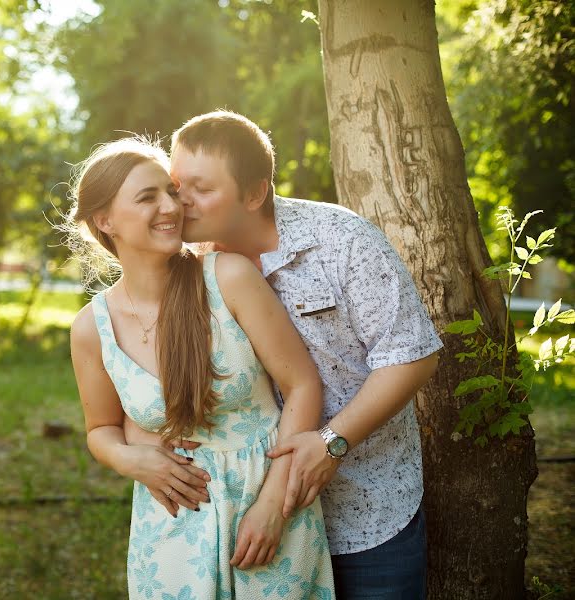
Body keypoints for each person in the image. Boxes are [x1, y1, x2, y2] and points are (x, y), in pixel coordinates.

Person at [124, 110, 442, 599]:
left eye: (200, 188)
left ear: (254, 194)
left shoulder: (344, 240)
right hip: (250, 513)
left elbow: (411, 356)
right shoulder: (188, 269)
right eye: (174, 183)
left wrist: (333, 441)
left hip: (366, 503)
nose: (179, 201)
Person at [65, 137, 335, 599]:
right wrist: (134, 459)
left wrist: (274, 504)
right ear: (105, 220)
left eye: (169, 191)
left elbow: (302, 383)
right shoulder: (93, 328)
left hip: (266, 514)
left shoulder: (228, 277)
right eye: (148, 197)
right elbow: (100, 429)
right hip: (172, 530)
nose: (171, 206)